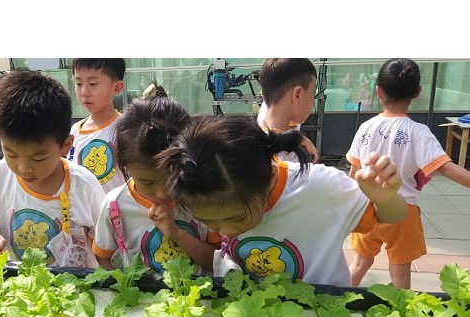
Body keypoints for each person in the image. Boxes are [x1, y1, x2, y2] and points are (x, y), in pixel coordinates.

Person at [159, 114, 408, 287]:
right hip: (253, 311)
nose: (226, 231)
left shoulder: (320, 188)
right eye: (210, 222)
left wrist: (385, 199)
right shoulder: (208, 193)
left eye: (237, 218)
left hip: (321, 313)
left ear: (268, 179)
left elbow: (394, 216)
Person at [346, 58, 470, 289]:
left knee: (360, 263)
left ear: (379, 92)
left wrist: (350, 208)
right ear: (418, 92)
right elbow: (445, 167)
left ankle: (336, 303)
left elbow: (355, 171)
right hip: (403, 211)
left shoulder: (366, 127)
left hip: (367, 208)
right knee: (400, 273)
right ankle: (402, 311)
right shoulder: (418, 132)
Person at [0, 70, 105, 268]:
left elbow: (104, 245)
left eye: (39, 158)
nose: (24, 168)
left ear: (66, 145)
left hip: (76, 284)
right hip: (20, 282)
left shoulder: (83, 184)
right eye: (11, 154)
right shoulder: (0, 175)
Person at [92, 95, 221, 274]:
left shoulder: (203, 198)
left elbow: (217, 261)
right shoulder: (115, 205)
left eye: (173, 178)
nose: (161, 193)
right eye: (147, 182)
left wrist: (177, 234)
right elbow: (104, 258)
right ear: (123, 163)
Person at [67, 58, 128, 193]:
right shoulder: (75, 130)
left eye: (93, 84)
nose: (84, 92)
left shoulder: (126, 128)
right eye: (78, 83)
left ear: (117, 88)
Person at [256, 58, 319, 163]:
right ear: (297, 95)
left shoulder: (256, 144)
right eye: (313, 94)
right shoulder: (284, 159)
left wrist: (299, 139)